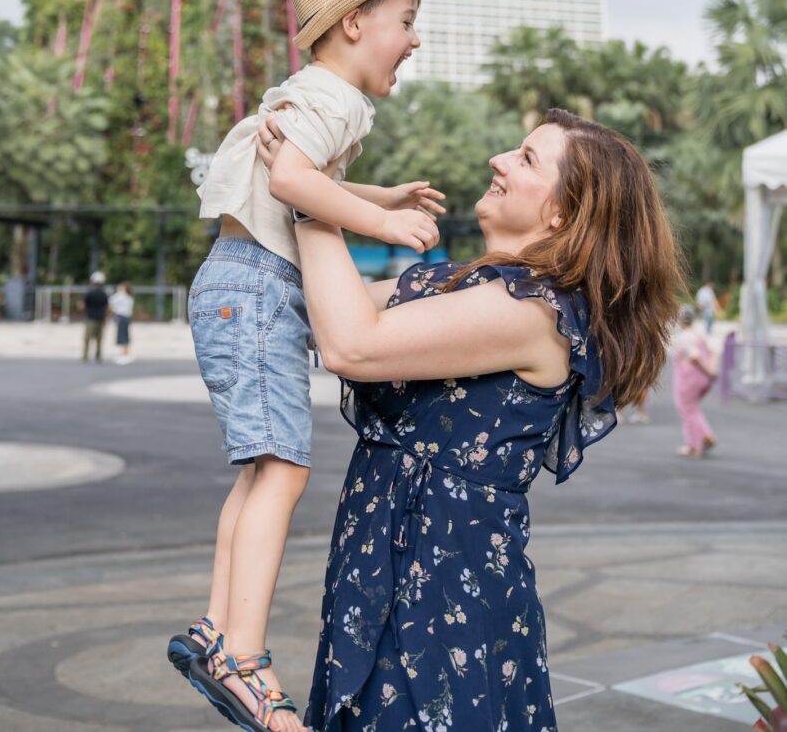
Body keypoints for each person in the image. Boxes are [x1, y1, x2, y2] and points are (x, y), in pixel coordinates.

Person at [261, 106, 681, 732]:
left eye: (527, 158)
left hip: (443, 590)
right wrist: (303, 179)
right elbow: (319, 309)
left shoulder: (537, 313)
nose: (499, 161)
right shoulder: (455, 286)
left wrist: (307, 197)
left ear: (563, 212)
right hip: (385, 566)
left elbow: (352, 343)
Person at [168, 0, 443, 732]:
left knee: (261, 472)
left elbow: (300, 173)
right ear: (354, 23)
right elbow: (293, 182)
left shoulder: (313, 95)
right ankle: (243, 658)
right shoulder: (332, 98)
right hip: (256, 289)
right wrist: (384, 219)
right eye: (405, 18)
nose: (415, 37)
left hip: (236, 283)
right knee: (282, 471)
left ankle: (219, 629)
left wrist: (376, 187)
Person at [672, 304, 717, 457]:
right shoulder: (699, 334)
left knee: (687, 409)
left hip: (689, 379)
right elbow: (712, 351)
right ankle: (696, 442)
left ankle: (701, 439)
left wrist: (708, 372)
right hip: (703, 379)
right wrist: (711, 372)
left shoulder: (684, 338)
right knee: (692, 409)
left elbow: (694, 357)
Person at [81, 270, 109, 363]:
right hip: (100, 317)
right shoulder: (104, 293)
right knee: (99, 338)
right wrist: (105, 318)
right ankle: (98, 355)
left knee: (87, 338)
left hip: (90, 317)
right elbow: (106, 307)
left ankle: (85, 355)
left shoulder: (89, 293)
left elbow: (83, 305)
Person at [109, 281, 135, 363]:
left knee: (122, 335)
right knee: (125, 335)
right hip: (127, 317)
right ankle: (125, 353)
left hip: (121, 316)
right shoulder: (129, 298)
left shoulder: (119, 297)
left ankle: (124, 354)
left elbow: (110, 303)